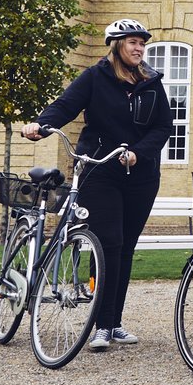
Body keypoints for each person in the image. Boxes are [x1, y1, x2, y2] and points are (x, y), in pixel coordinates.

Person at [22, 19, 170, 353]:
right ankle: (101, 325)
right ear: (116, 45)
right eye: (132, 42)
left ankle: (113, 322)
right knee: (110, 243)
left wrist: (138, 154)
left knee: (126, 247)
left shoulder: (151, 82)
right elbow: (65, 106)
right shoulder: (95, 77)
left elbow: (163, 127)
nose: (139, 48)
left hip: (141, 175)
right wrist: (41, 124)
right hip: (99, 170)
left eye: (142, 44)